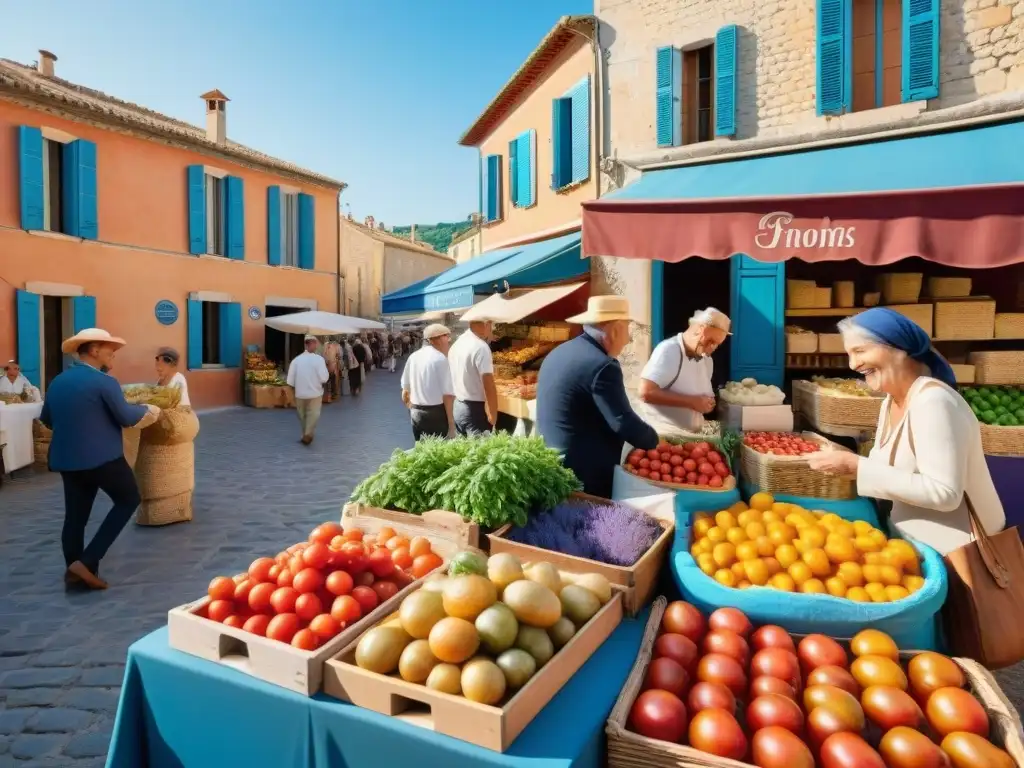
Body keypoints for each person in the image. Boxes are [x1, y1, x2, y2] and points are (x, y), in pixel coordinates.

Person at [807, 307, 1005, 555]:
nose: (853, 364)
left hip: (958, 555)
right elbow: (895, 473)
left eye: (860, 351)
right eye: (849, 354)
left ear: (899, 349)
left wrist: (858, 467)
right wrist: (849, 468)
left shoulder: (934, 402)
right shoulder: (891, 401)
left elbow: (944, 494)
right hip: (914, 546)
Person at [41, 328, 160, 590]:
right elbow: (126, 417)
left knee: (75, 517)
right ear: (94, 350)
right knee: (128, 499)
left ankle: (75, 571)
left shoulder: (57, 381)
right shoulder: (105, 383)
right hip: (103, 458)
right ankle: (88, 560)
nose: (113, 356)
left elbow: (47, 419)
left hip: (66, 459)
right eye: (110, 350)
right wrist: (148, 408)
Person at [536, 296, 659, 498]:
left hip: (553, 456)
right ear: (615, 330)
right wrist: (654, 441)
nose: (628, 339)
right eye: (628, 330)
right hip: (584, 469)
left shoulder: (561, 351)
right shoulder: (603, 365)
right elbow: (622, 421)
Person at [638, 307, 731, 433]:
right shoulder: (669, 350)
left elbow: (699, 397)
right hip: (662, 436)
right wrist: (692, 402)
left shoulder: (707, 360)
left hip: (690, 436)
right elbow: (646, 392)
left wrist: (707, 403)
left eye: (716, 344)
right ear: (699, 329)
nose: (711, 348)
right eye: (710, 341)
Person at [401, 324, 456, 440]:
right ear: (436, 339)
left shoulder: (413, 357)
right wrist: (451, 424)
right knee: (437, 453)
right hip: (435, 414)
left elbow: (405, 391)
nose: (449, 341)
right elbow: (448, 395)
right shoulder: (440, 359)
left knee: (421, 451)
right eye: (447, 336)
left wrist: (412, 410)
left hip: (416, 412)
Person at [449, 318, 498, 435]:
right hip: (475, 411)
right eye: (491, 325)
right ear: (486, 324)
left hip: (458, 406)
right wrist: (493, 414)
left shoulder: (457, 344)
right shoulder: (481, 347)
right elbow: (488, 383)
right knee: (481, 451)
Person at [286, 335, 329, 445]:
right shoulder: (319, 360)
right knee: (313, 414)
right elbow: (324, 378)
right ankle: (308, 434)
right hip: (315, 393)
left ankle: (305, 434)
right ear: (314, 344)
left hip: (300, 394)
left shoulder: (296, 361)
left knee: (303, 416)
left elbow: (290, 381)